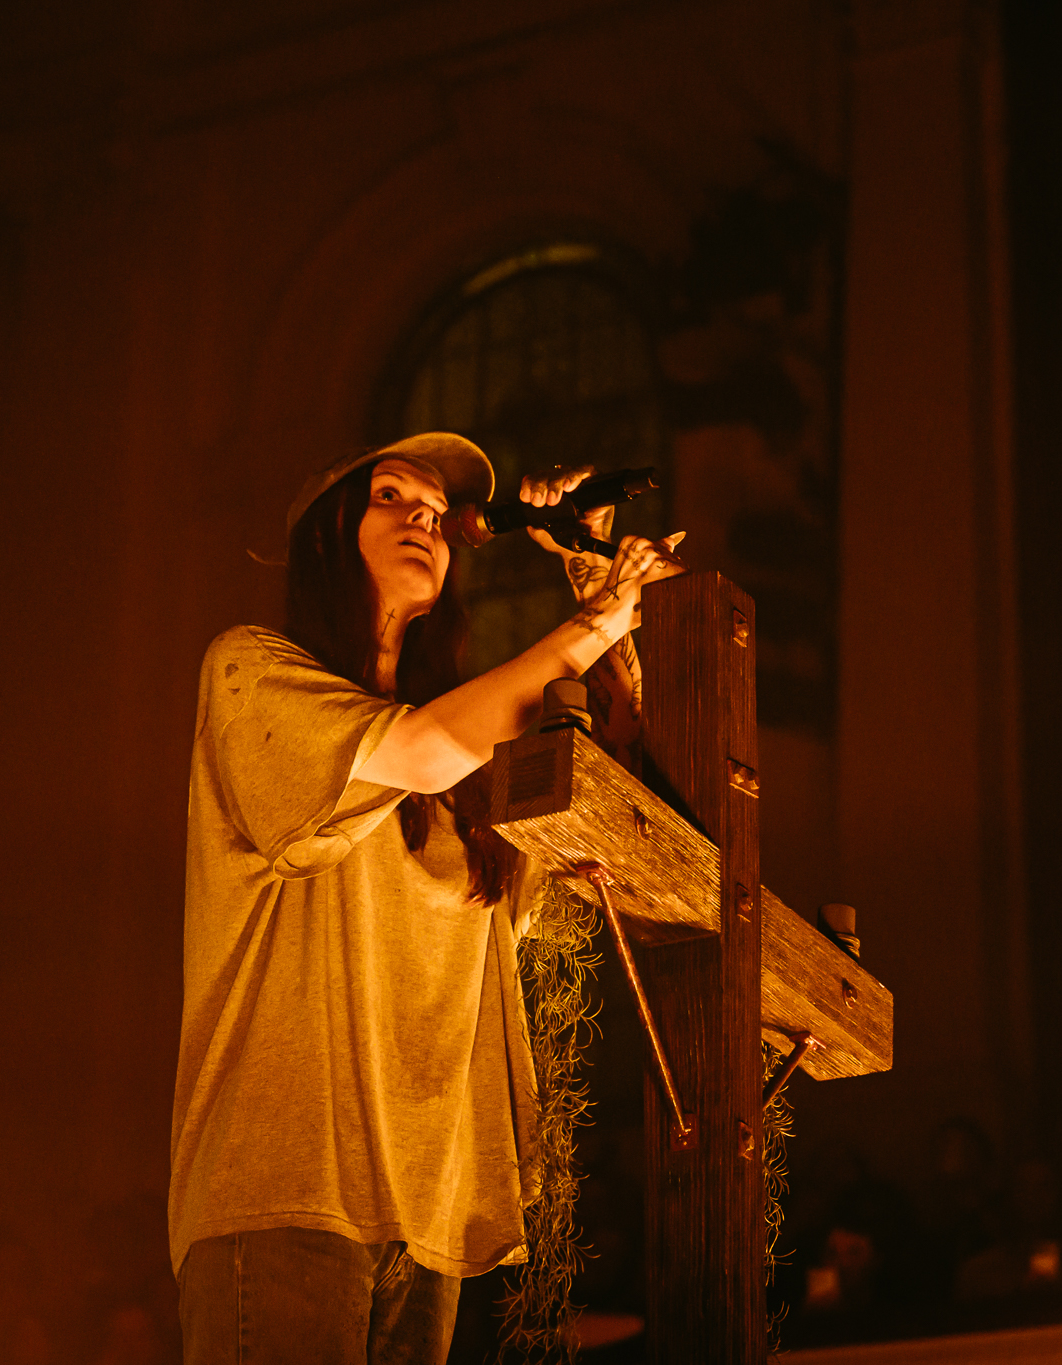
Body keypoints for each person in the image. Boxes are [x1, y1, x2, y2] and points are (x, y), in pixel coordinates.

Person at [168, 432, 684, 1364]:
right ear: (325, 534)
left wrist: (588, 571)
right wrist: (598, 620)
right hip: (285, 1194)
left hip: (427, 1215)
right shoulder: (252, 674)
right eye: (391, 497)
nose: (425, 521)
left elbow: (615, 798)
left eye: (440, 514)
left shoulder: (469, 782)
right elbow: (417, 747)